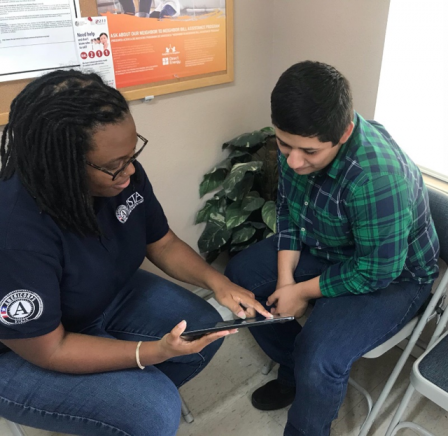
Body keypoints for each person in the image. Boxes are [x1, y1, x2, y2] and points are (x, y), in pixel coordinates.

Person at [0, 70, 271, 436]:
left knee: (204, 331)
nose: (129, 170)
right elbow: (50, 349)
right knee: (154, 411)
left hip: (103, 297)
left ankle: (113, 413)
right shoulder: (16, 230)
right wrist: (150, 353)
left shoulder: (124, 175)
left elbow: (162, 242)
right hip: (27, 349)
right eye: (114, 166)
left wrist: (217, 281)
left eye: (132, 154)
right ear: (61, 166)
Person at [225, 61, 440, 436]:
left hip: (394, 273)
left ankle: (306, 405)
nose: (293, 160)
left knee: (319, 354)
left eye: (308, 151)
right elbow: (291, 209)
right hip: (330, 242)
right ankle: (294, 372)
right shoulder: (299, 142)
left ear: (344, 133)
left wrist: (302, 292)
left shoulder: (375, 176)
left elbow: (377, 270)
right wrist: (285, 279)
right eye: (284, 144)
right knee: (241, 278)